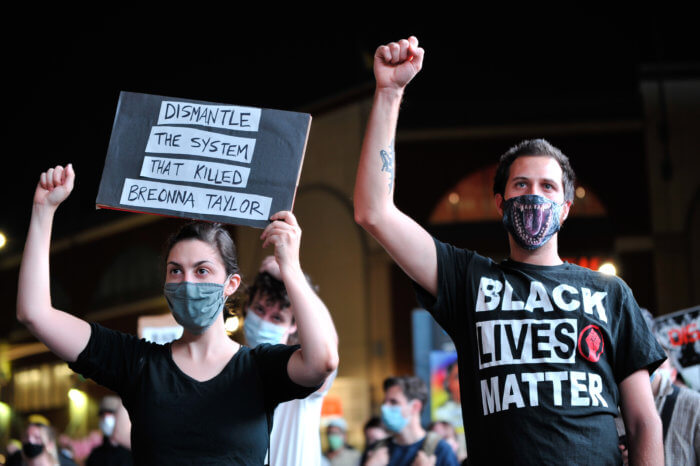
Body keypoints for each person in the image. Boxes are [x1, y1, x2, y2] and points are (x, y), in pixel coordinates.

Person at [353, 36, 666, 464]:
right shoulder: (468, 280)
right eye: (521, 185)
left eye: (548, 187)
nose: (534, 196)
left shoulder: (611, 294)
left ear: (566, 208)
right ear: (500, 203)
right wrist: (389, 93)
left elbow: (644, 422)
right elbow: (374, 212)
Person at [16, 164, 339, 464]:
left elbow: (322, 361)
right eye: (175, 271)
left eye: (202, 271)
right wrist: (43, 212)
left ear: (231, 284)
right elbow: (36, 314)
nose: (187, 282)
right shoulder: (137, 363)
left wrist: (290, 268)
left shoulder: (259, 368)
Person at [243, 255, 338, 466]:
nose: (264, 321)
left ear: (294, 325)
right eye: (260, 310)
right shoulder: (232, 367)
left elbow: (327, 347)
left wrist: (291, 274)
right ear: (247, 308)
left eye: (277, 317)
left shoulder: (303, 370)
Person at [362, 376, 459, 466]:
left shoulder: (440, 450)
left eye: (393, 402)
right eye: (384, 402)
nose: (384, 407)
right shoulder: (375, 451)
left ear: (415, 407)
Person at [85, 396, 133, 466]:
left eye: (111, 414)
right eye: (102, 415)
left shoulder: (134, 454)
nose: (106, 419)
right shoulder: (95, 454)